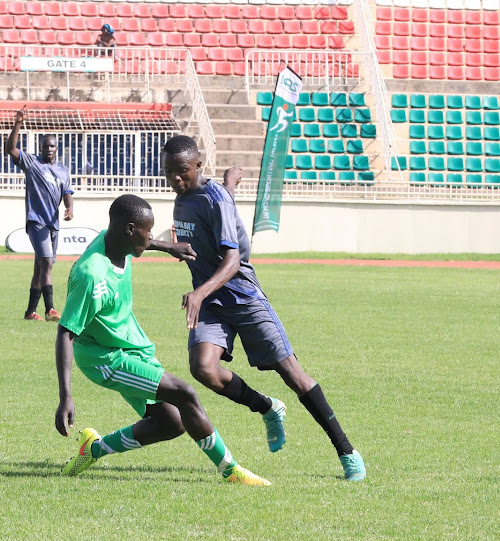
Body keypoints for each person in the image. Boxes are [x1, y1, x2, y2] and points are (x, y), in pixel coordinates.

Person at [161, 135, 365, 481]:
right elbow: (213, 228)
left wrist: (198, 293)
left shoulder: (214, 199)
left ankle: (347, 452)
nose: (175, 179)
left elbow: (233, 259)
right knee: (204, 370)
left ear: (198, 165)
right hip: (211, 302)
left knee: (295, 377)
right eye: (169, 173)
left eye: (182, 172)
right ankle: (267, 407)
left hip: (243, 296)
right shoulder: (186, 199)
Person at [54, 194, 270, 486]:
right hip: (104, 358)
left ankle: (93, 449)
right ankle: (231, 471)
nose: (151, 236)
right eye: (148, 231)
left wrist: (168, 246)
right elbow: (66, 332)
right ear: (130, 230)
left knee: (171, 423)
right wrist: (66, 396)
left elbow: (138, 242)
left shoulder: (118, 240)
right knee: (185, 393)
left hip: (131, 346)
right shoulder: (91, 274)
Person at [5, 105, 74, 322]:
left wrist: (69, 207)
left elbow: (67, 192)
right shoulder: (33, 163)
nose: (49, 149)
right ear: (41, 147)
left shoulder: (63, 170)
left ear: (56, 148)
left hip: (53, 224)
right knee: (47, 263)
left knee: (39, 266)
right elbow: (11, 150)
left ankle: (30, 312)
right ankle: (50, 309)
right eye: (45, 146)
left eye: (52, 146)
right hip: (37, 221)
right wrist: (18, 123)